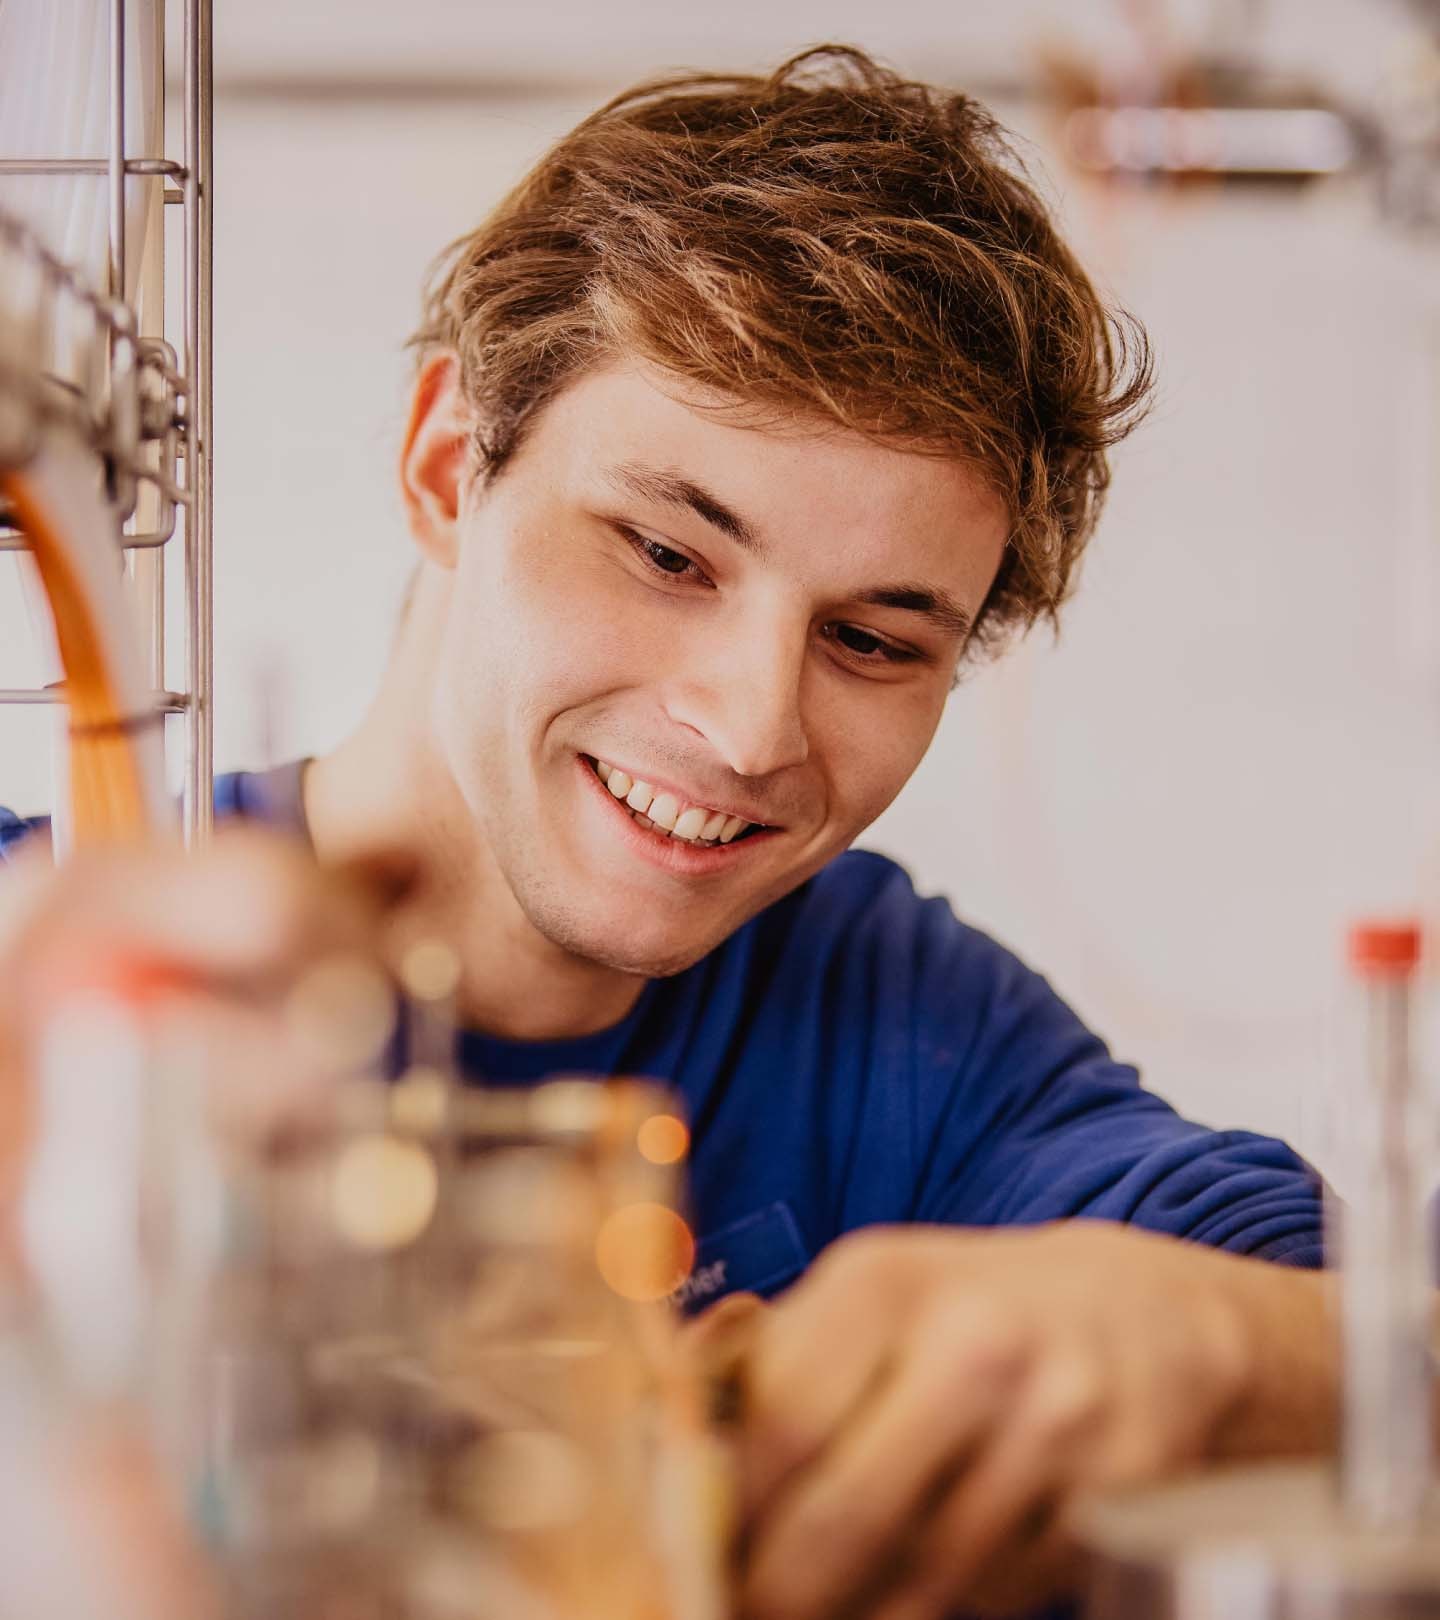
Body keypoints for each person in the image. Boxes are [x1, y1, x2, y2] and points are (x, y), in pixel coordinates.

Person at [0, 45, 1348, 1620]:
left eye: (874, 642)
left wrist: (1219, 1344)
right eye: (665, 551)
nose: (753, 725)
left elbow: (1382, 1331)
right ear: (450, 466)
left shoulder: (896, 1027)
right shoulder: (57, 949)